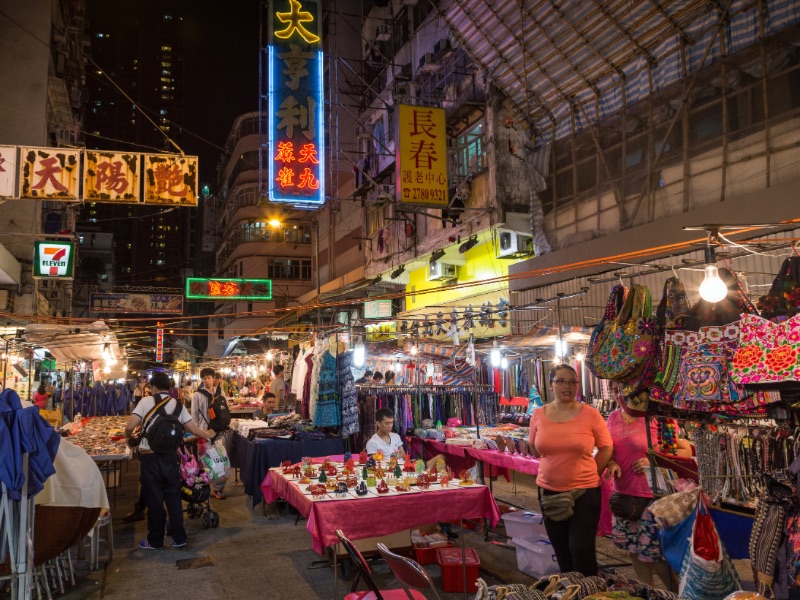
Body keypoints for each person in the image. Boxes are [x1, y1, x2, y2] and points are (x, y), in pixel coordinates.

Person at [528, 363, 613, 576]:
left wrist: (593, 472)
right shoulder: (538, 414)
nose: (568, 386)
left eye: (573, 382)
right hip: (549, 491)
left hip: (584, 492)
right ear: (550, 384)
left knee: (581, 549)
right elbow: (535, 448)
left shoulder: (590, 414)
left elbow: (606, 447)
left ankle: (590, 593)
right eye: (561, 381)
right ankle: (569, 591)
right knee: (561, 550)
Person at [605, 383, 692, 588]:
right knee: (634, 550)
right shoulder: (613, 418)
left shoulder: (656, 418)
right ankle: (646, 591)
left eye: (624, 389)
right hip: (624, 496)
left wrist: (655, 460)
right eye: (616, 389)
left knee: (655, 555)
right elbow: (608, 451)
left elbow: (685, 450)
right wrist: (611, 463)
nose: (620, 393)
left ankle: (677, 592)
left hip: (652, 497)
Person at [124, 372, 214, 550]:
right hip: (171, 458)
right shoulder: (178, 405)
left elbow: (129, 426)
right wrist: (208, 435)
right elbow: (193, 429)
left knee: (154, 499)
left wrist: (128, 438)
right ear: (169, 388)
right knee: (173, 498)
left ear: (153, 387)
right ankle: (179, 538)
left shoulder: (145, 402)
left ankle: (155, 540)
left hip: (149, 458)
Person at [191, 367, 229, 499]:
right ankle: (205, 488)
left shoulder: (220, 392)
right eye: (204, 378)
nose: (206, 381)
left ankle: (218, 489)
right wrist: (197, 433)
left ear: (214, 378)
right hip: (204, 433)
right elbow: (194, 415)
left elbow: (226, 411)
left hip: (219, 432)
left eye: (209, 378)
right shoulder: (197, 395)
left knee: (221, 460)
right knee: (206, 462)